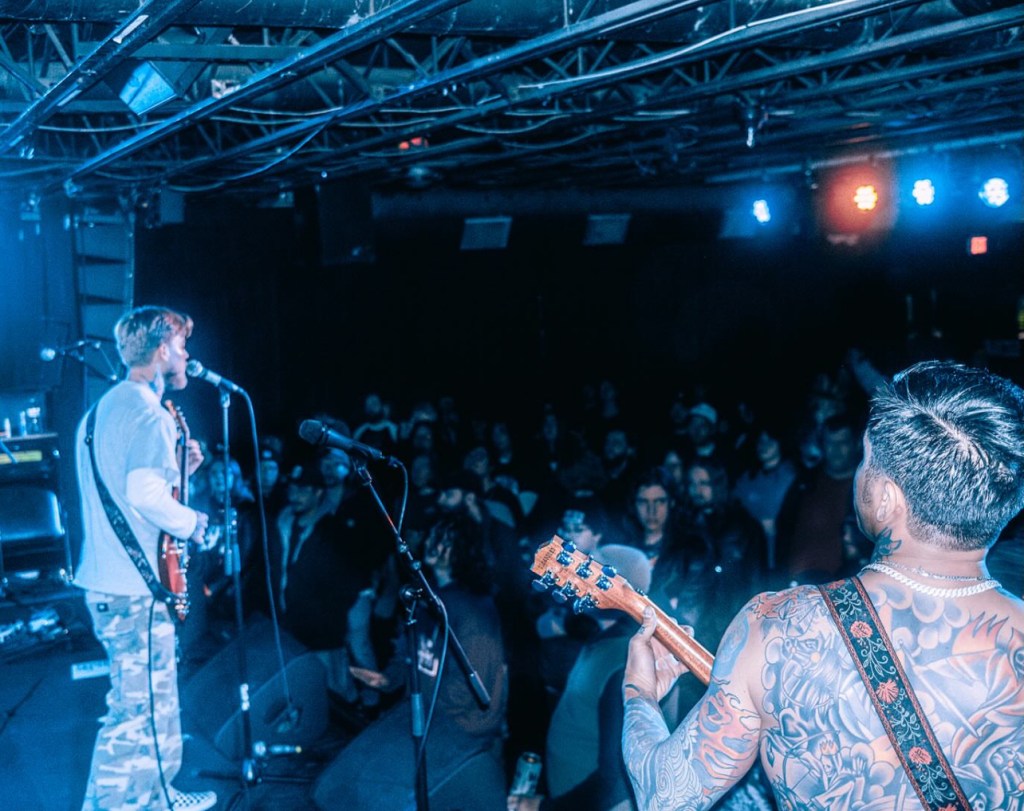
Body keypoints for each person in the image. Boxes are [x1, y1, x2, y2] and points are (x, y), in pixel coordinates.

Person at [622, 360, 1024, 811]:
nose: (858, 472)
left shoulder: (776, 627)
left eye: (866, 458)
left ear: (888, 497)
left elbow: (665, 796)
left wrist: (640, 691)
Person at [74, 305, 216, 811]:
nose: (186, 356)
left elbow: (132, 497)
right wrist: (195, 522)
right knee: (135, 712)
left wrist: (183, 474)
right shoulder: (150, 414)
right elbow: (143, 495)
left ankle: (156, 797)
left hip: (112, 583)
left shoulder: (103, 410)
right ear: (161, 352)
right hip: (134, 593)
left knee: (151, 706)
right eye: (180, 347)